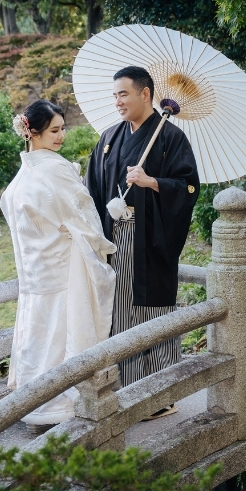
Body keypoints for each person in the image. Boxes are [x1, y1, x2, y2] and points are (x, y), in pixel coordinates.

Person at [86, 67, 199, 414]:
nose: (117, 101)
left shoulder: (170, 138)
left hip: (150, 237)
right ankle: (133, 392)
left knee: (154, 311)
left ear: (145, 94)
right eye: (115, 95)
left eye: (124, 94)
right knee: (120, 314)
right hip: (113, 235)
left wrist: (152, 183)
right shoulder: (108, 139)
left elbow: (190, 187)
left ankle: (163, 393)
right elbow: (90, 190)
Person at [0, 99, 117, 426]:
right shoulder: (56, 169)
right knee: (65, 328)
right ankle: (64, 406)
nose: (61, 135)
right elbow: (83, 217)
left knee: (39, 329)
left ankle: (36, 405)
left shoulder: (21, 178)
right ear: (32, 132)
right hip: (64, 266)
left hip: (35, 270)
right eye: (54, 130)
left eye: (63, 128)